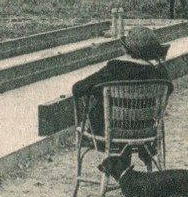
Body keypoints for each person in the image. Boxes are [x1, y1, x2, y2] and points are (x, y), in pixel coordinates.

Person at [71, 26, 173, 168]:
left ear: (127, 49)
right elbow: (168, 93)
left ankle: (119, 159)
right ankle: (143, 151)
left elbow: (77, 89)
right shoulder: (159, 74)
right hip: (146, 131)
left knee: (104, 108)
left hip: (111, 131)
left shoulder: (114, 68)